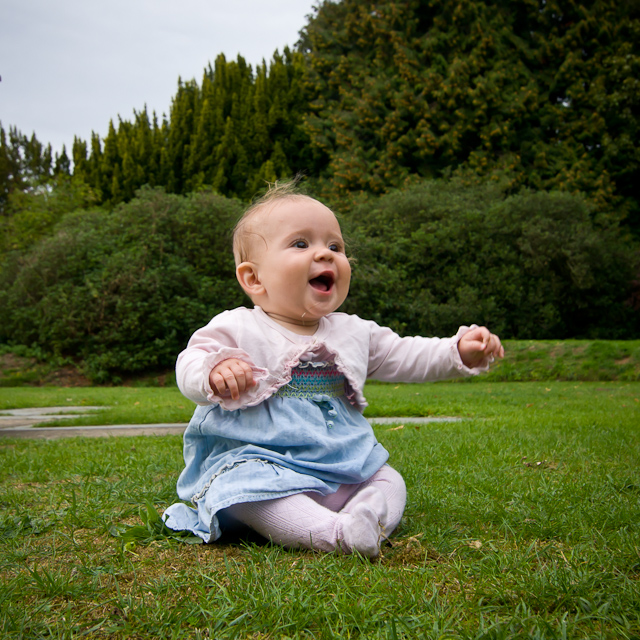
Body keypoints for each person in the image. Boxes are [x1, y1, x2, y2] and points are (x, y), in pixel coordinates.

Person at [162, 182, 504, 557]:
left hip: (340, 463)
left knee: (389, 480)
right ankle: (335, 533)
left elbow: (408, 353)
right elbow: (189, 362)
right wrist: (214, 370)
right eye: (300, 244)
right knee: (246, 493)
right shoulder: (238, 327)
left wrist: (458, 351)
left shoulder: (353, 332)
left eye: (335, 246)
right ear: (253, 279)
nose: (325, 254)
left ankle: (366, 514)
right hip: (260, 460)